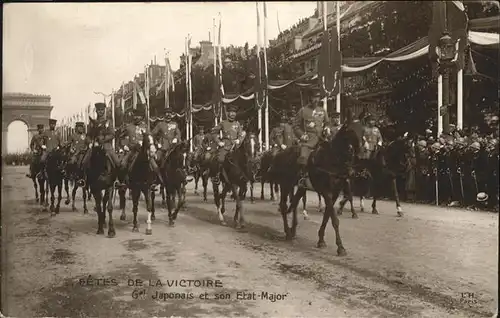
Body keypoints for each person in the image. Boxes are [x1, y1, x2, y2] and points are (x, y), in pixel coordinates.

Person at [81, 102, 124, 186]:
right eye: (98, 110)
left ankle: (118, 181)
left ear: (104, 111)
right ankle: (83, 179)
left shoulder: (108, 122)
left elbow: (112, 134)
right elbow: (88, 136)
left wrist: (104, 139)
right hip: (94, 146)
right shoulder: (92, 123)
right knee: (84, 162)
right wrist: (90, 142)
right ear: (96, 111)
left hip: (106, 146)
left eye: (102, 110)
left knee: (118, 162)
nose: (100, 112)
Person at [293, 90, 330, 183]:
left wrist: (327, 128)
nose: (316, 100)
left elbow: (327, 122)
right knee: (303, 157)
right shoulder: (303, 110)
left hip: (322, 139)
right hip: (308, 140)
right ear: (310, 98)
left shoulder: (322, 111)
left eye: (317, 98)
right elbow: (295, 126)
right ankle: (303, 178)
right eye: (314, 97)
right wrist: (302, 135)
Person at [120, 108, 163, 189]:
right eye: (135, 116)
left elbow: (150, 137)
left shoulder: (145, 127)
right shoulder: (128, 127)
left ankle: (155, 181)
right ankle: (122, 182)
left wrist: (152, 145)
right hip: (132, 150)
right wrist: (124, 145)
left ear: (141, 117)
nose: (136, 117)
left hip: (143, 150)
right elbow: (121, 137)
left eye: (138, 116)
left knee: (154, 165)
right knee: (123, 163)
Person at [212, 104, 246, 177]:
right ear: (228, 113)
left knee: (244, 159)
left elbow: (240, 135)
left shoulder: (237, 124)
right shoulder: (223, 123)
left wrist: (239, 140)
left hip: (235, 147)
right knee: (220, 159)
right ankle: (217, 176)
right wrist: (219, 142)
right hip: (225, 147)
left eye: (234, 112)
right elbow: (214, 133)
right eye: (231, 112)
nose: (233, 114)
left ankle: (245, 176)